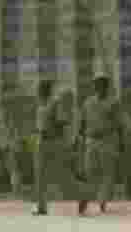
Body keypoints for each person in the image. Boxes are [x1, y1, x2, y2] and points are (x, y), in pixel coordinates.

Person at [78, 73, 123, 216]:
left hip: (107, 140)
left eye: (101, 84)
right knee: (89, 171)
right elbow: (82, 122)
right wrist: (79, 139)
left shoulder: (113, 103)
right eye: (96, 84)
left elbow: (119, 125)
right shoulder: (88, 102)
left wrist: (121, 143)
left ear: (106, 86)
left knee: (107, 173)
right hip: (91, 140)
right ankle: (85, 199)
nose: (98, 87)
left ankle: (102, 201)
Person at [33, 79, 75, 215]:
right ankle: (41, 207)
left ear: (47, 90)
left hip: (54, 142)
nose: (38, 91)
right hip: (41, 141)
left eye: (40, 89)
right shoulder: (40, 105)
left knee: (62, 176)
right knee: (40, 175)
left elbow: (62, 123)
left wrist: (62, 141)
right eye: (39, 89)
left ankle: (83, 195)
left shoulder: (55, 103)